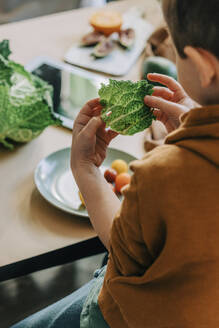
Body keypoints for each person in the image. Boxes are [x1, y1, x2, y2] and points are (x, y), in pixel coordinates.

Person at [12, 0, 219, 327]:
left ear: (203, 66)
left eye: (178, 52)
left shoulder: (161, 173)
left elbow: (123, 252)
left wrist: (86, 171)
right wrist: (197, 125)